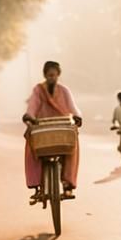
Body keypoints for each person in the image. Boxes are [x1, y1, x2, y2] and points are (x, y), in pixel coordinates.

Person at [22, 61, 82, 201]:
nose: (51, 78)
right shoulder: (38, 90)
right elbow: (32, 106)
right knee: (30, 142)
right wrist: (29, 117)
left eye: (54, 75)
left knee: (73, 142)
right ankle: (36, 184)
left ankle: (68, 185)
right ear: (45, 75)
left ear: (58, 75)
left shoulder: (64, 90)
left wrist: (78, 117)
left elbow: (73, 107)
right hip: (42, 126)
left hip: (62, 127)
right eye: (49, 75)